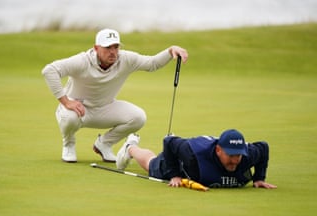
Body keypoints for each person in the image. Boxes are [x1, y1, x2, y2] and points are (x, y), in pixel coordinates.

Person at [42, 28, 188, 163]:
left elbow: (152, 64)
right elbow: (49, 70)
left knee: (138, 117)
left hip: (104, 108)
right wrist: (66, 101)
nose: (113, 52)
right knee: (69, 117)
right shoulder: (82, 61)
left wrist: (170, 51)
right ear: (96, 48)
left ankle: (104, 144)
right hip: (78, 110)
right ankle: (68, 144)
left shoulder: (125, 59)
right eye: (107, 47)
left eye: (116, 47)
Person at [116, 129, 277, 189]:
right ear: (219, 150)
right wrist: (174, 174)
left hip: (190, 153)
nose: (235, 161)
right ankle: (130, 147)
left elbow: (264, 147)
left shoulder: (249, 155)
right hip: (184, 159)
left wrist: (259, 178)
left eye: (238, 155)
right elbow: (169, 142)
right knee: (152, 164)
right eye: (231, 156)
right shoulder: (193, 154)